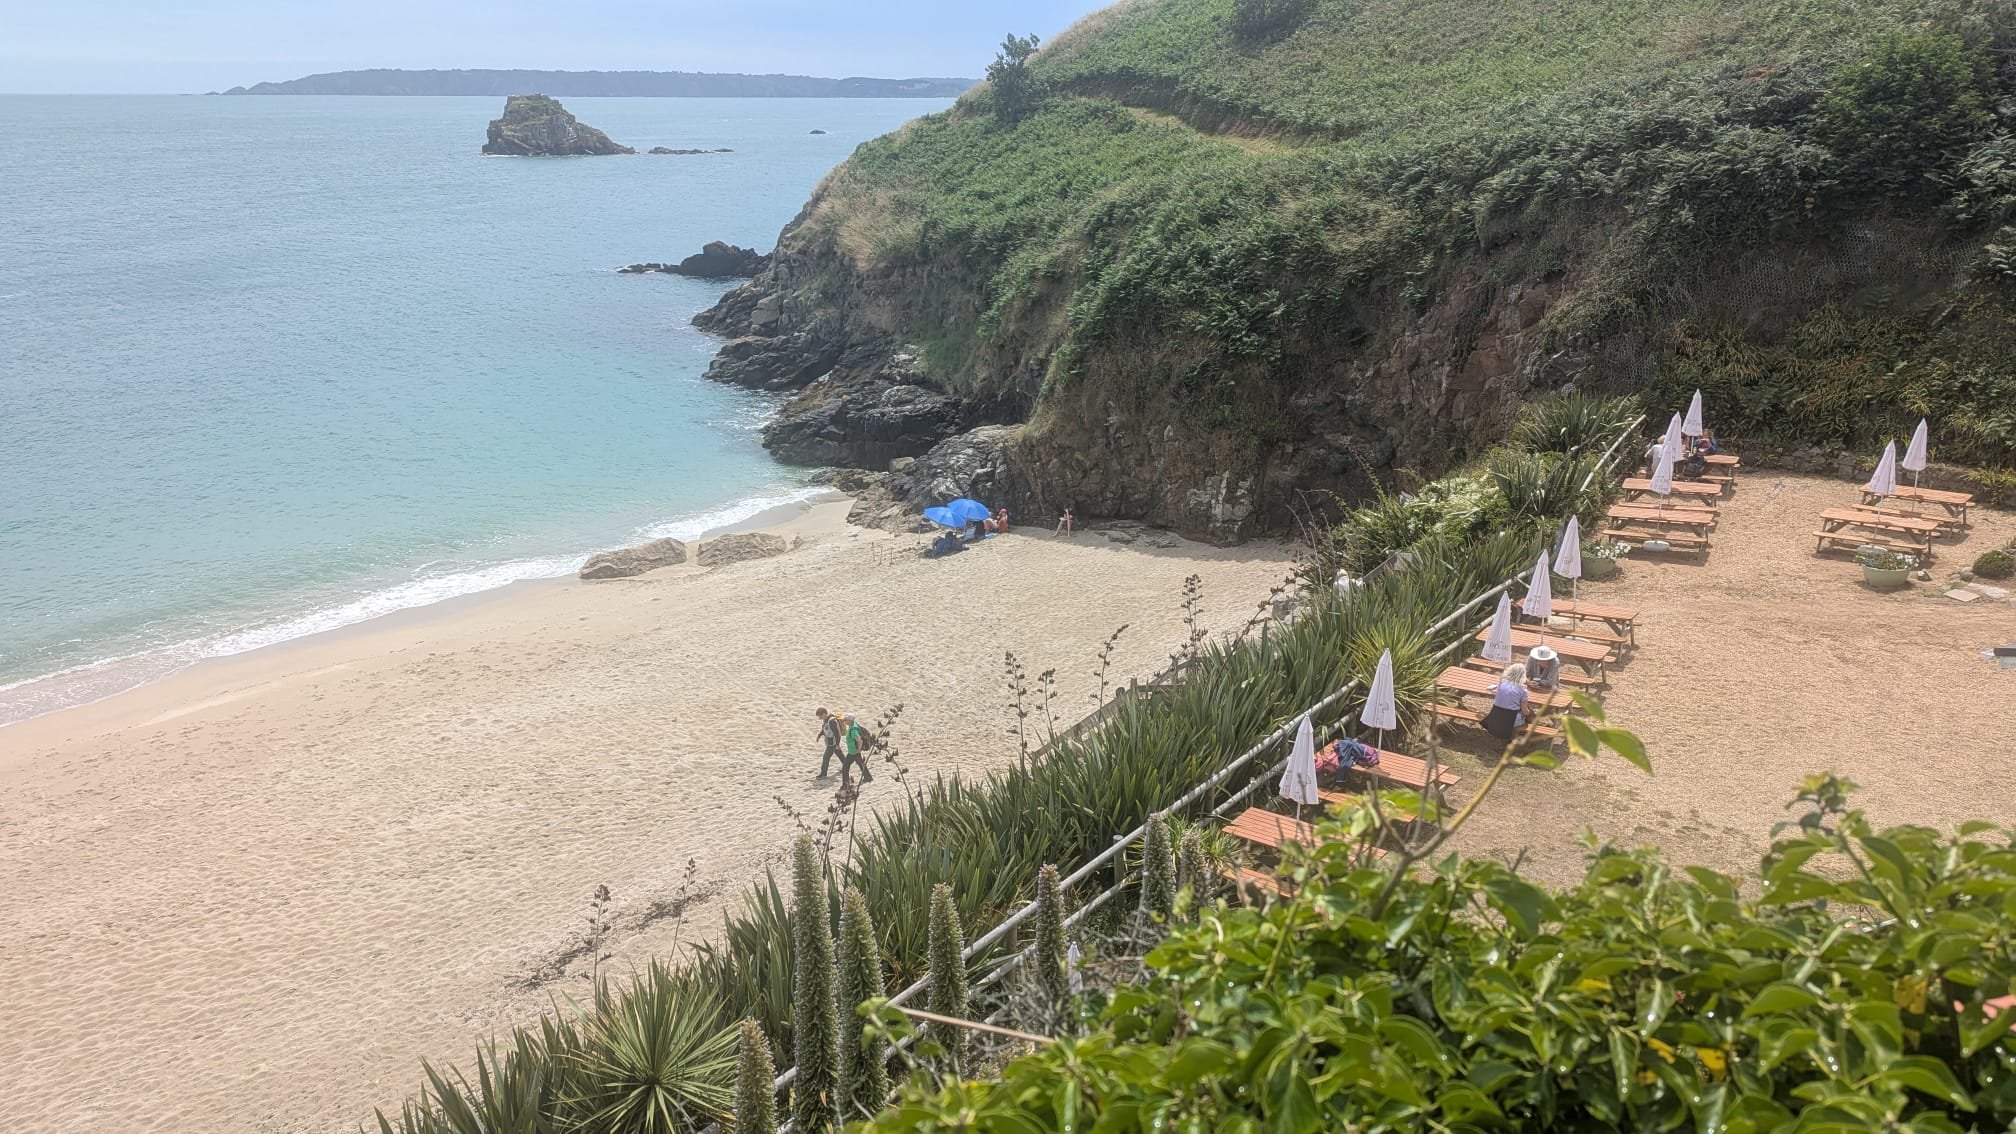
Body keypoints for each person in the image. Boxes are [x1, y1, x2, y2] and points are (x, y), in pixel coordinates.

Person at [1482, 663, 1530, 741]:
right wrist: (1529, 713)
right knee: (1526, 715)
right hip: (1511, 720)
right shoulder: (1523, 690)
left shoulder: (1502, 683)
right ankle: (1515, 737)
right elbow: (1525, 711)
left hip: (1495, 717)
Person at [839, 712, 873, 783]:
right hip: (855, 750)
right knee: (860, 763)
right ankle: (868, 777)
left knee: (845, 767)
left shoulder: (853, 730)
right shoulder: (854, 725)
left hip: (853, 751)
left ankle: (846, 783)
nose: (844, 721)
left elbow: (859, 740)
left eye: (845, 720)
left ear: (850, 720)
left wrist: (858, 750)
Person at [814, 707, 843, 778]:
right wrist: (819, 735)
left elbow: (837, 734)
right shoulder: (826, 720)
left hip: (832, 743)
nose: (819, 718)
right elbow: (824, 729)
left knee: (826, 757)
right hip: (831, 742)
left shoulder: (832, 721)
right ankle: (846, 767)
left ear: (824, 714)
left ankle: (823, 773)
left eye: (820, 716)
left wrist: (837, 744)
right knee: (840, 755)